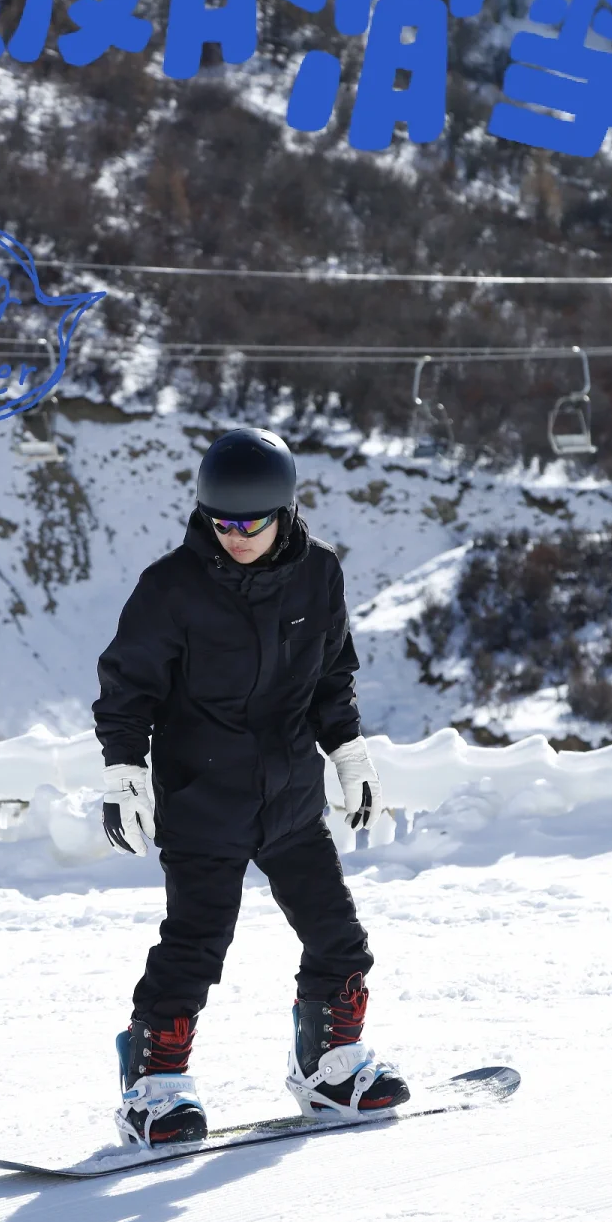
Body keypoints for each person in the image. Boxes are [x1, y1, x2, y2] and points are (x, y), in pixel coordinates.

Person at [92, 426, 410, 1148]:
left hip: (291, 797)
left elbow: (332, 674)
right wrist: (124, 770)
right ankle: (154, 1088)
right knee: (196, 944)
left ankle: (331, 1066)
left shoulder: (318, 574)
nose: (235, 537)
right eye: (221, 523)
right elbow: (126, 687)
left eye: (251, 523)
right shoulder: (171, 587)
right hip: (203, 798)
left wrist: (348, 751)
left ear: (285, 513)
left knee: (339, 937)